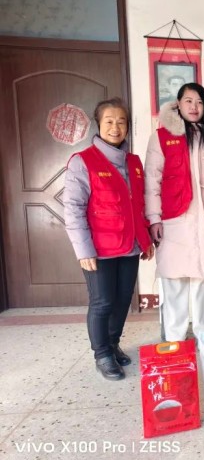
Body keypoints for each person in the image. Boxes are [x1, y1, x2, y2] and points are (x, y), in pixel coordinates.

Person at [64, 98, 154, 381]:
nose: (116, 127)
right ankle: (101, 354)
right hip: (99, 249)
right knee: (102, 302)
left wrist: (145, 239)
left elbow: (139, 204)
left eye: (121, 122)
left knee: (123, 299)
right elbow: (74, 209)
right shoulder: (83, 162)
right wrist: (83, 250)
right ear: (99, 124)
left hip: (130, 246)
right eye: (109, 121)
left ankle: (113, 344)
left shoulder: (133, 162)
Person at [145, 83, 204, 342]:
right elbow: (152, 180)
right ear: (178, 104)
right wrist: (154, 218)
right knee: (175, 280)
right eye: (189, 101)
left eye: (199, 102)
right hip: (175, 218)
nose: (194, 107)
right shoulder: (161, 137)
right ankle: (175, 340)